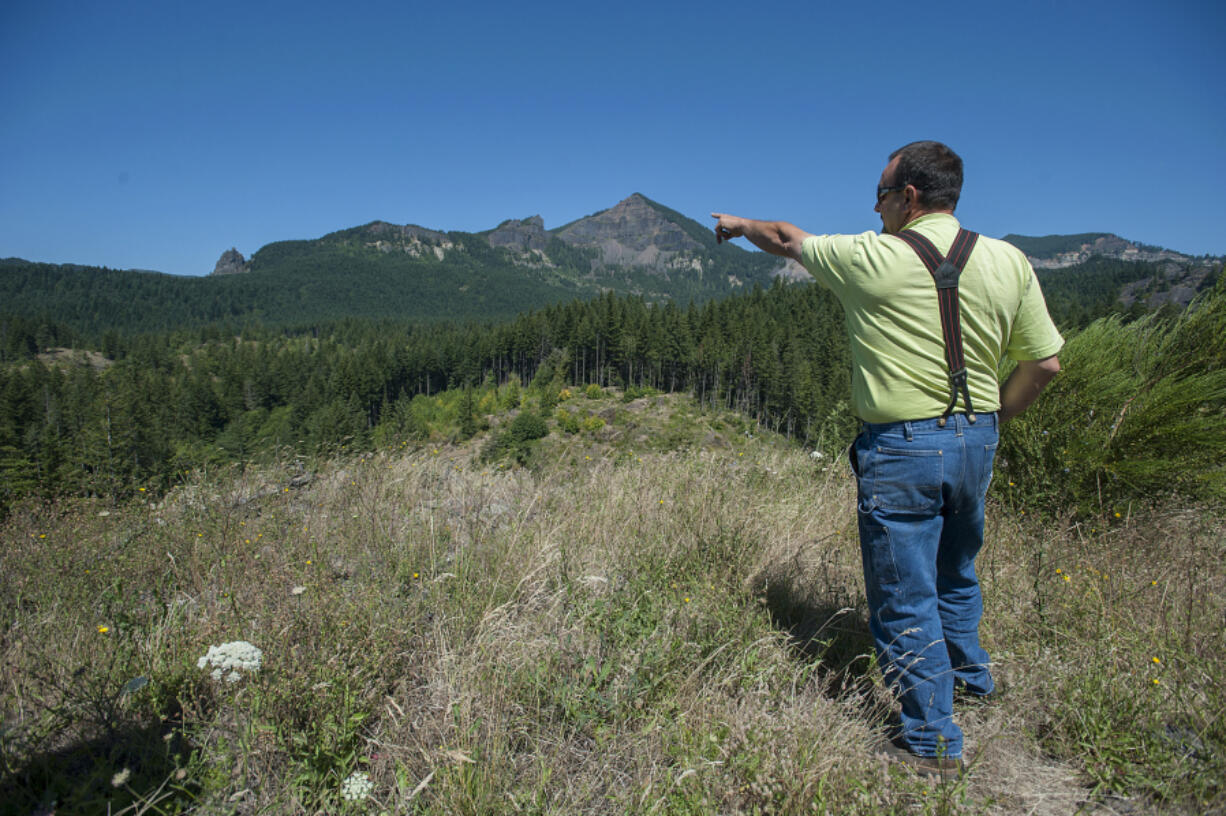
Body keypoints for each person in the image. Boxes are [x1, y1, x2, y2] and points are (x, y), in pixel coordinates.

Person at [712, 141, 1063, 778]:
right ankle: (972, 684)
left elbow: (788, 239)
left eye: (879, 195)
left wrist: (739, 226)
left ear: (907, 197)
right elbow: (1044, 364)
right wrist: (993, 421)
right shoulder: (1010, 261)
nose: (873, 209)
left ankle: (930, 738)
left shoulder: (874, 256)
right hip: (976, 438)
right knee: (956, 569)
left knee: (904, 594)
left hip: (902, 447)